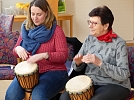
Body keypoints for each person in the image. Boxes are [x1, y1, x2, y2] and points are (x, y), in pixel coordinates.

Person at [59, 5, 131, 100]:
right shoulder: (89, 39)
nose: (90, 26)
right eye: (89, 22)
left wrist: (100, 63)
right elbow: (76, 67)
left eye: (94, 23)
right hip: (91, 83)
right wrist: (78, 62)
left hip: (115, 85)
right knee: (64, 97)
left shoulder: (119, 43)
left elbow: (124, 74)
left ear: (106, 26)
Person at [5, 0, 69, 100]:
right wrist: (18, 49)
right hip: (29, 72)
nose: (35, 17)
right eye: (32, 14)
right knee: (11, 95)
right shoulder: (26, 28)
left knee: (38, 95)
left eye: (39, 14)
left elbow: (63, 56)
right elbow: (15, 51)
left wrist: (44, 55)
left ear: (46, 13)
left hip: (55, 72)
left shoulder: (56, 30)